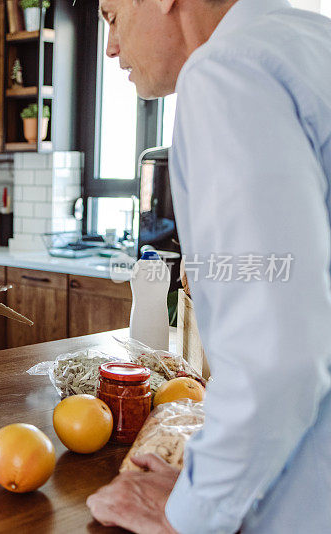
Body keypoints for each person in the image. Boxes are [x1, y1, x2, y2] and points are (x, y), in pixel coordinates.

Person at [86, 0, 331, 532]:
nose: (110, 46)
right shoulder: (311, 45)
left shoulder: (225, 71)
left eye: (110, 15)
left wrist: (189, 514)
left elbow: (277, 355)